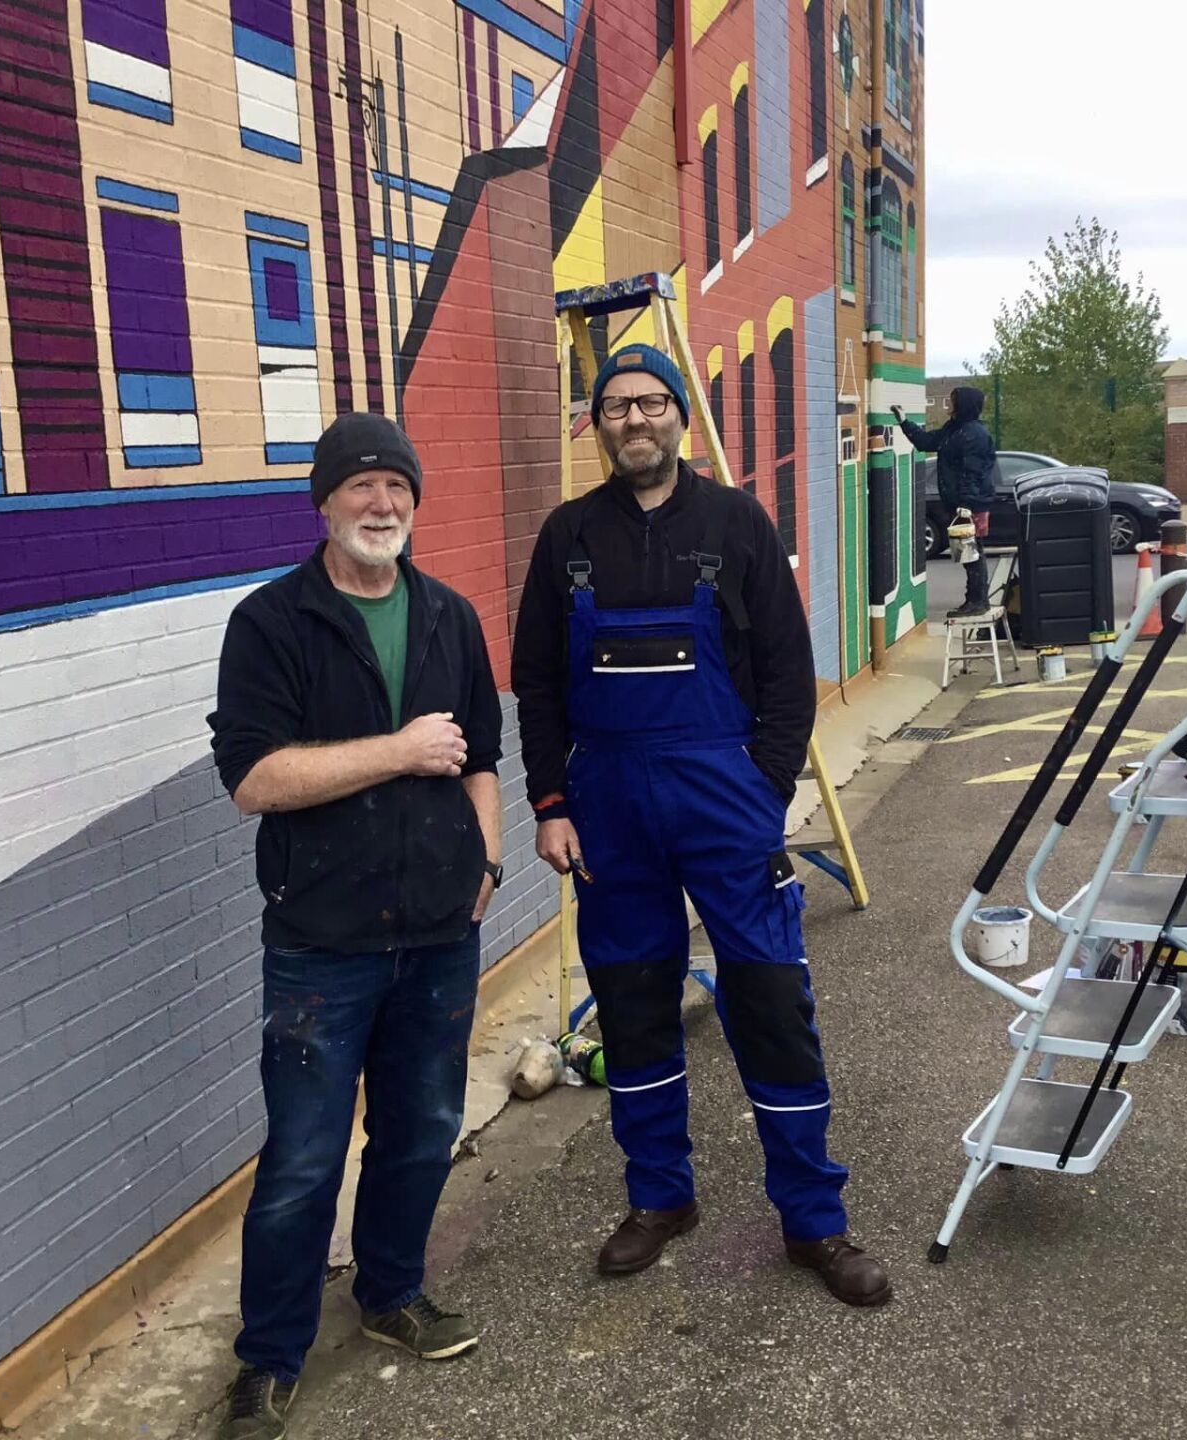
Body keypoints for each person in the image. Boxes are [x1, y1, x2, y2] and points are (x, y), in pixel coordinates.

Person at [513, 344, 891, 1308]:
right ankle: (659, 1199)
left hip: (724, 799)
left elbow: (785, 678)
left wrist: (761, 795)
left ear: (679, 415)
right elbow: (540, 687)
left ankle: (814, 1219)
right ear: (595, 425)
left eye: (649, 403)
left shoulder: (737, 523)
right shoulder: (566, 538)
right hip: (608, 812)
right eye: (613, 407)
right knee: (634, 1005)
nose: (633, 420)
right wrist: (550, 803)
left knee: (768, 1001)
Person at [206, 413, 505, 1439]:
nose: (382, 505)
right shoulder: (272, 624)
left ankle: (390, 1296)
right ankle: (269, 1356)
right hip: (321, 944)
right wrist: (395, 749)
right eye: (361, 487)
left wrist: (489, 856)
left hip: (436, 934)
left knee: (421, 1132)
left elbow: (475, 755)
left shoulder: (450, 617)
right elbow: (254, 780)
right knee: (302, 1158)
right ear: (324, 502)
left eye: (397, 489)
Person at [894, 387, 1000, 617]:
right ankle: (973, 599)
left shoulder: (973, 434)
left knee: (972, 551)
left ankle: (978, 600)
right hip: (960, 501)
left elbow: (973, 471)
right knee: (966, 551)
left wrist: (967, 503)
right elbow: (927, 442)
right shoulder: (955, 429)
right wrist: (905, 423)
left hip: (970, 503)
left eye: (952, 401)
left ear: (963, 404)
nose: (948, 405)